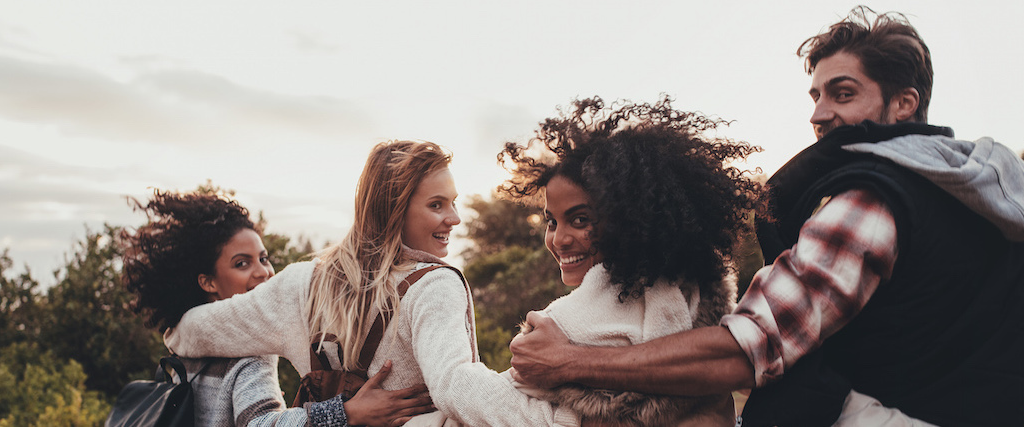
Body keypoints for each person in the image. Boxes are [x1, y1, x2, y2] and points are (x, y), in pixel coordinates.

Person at [509, 7, 1024, 427]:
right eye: (816, 95)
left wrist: (569, 361)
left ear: (904, 104)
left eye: (842, 94)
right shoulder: (1007, 216)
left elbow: (744, 350)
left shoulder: (870, 200)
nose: (820, 114)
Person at [164, 141, 580, 426]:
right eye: (437, 204)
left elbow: (185, 334)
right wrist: (560, 418)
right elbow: (457, 387)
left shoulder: (300, 284)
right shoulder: (433, 285)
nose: (454, 218)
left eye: (453, 202)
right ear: (394, 209)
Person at [492, 97, 761, 425]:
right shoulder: (693, 297)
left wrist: (443, 389)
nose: (558, 239)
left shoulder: (581, 321)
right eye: (552, 221)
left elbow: (503, 397)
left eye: (580, 220)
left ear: (630, 220)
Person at [122, 189, 431, 427]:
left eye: (264, 258)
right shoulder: (248, 354)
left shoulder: (185, 349)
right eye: (241, 264)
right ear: (208, 282)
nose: (263, 273)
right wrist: (348, 412)